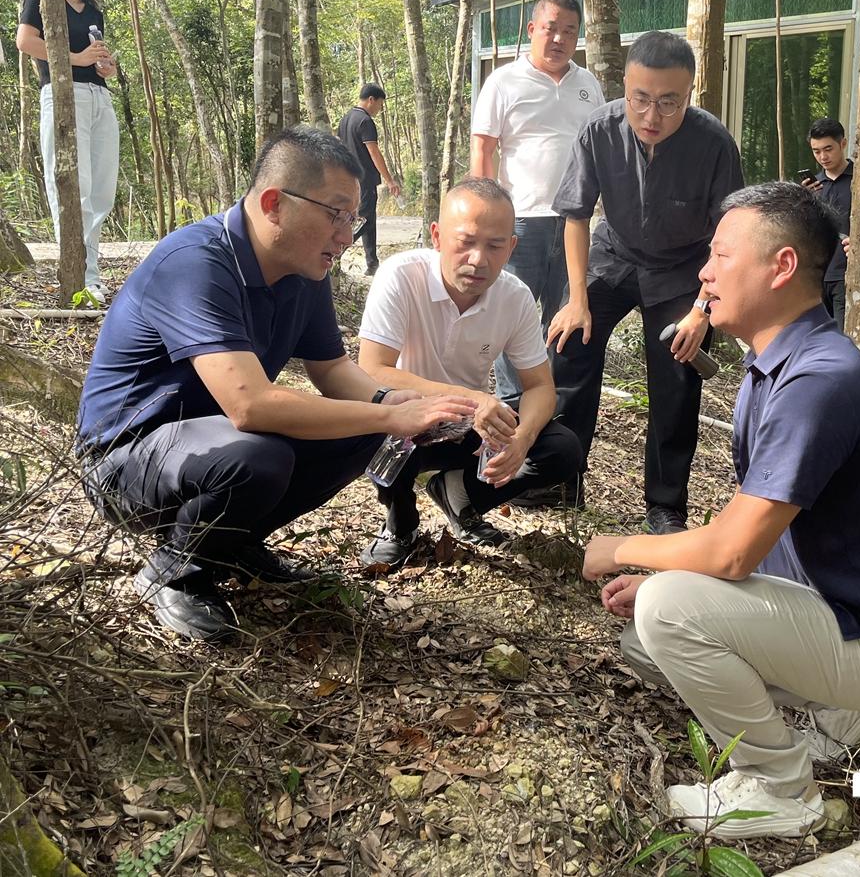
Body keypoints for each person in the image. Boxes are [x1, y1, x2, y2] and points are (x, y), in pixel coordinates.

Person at [581, 181, 860, 840]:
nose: (704, 272)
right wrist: (675, 576)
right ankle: (816, 718)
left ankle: (782, 786)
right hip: (829, 610)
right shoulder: (774, 365)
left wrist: (622, 547)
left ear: (782, 267)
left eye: (720, 255)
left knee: (669, 613)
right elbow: (759, 533)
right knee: (648, 635)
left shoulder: (817, 380)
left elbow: (732, 551)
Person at [77, 127, 475, 641]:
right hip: (124, 458)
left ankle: (231, 542)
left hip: (207, 445)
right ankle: (175, 569)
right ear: (273, 204)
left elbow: (331, 369)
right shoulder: (196, 263)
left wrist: (391, 403)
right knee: (259, 455)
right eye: (336, 214)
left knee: (365, 431)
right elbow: (250, 406)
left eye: (352, 218)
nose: (346, 233)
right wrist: (391, 414)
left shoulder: (305, 271)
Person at [544, 30, 744, 531]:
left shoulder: (714, 143)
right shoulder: (600, 129)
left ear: (690, 95)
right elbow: (575, 216)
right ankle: (560, 478)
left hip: (684, 270)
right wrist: (576, 299)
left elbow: (730, 235)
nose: (652, 117)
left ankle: (665, 504)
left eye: (668, 103)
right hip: (614, 255)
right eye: (640, 99)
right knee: (569, 343)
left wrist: (702, 312)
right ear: (626, 87)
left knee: (677, 377)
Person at [356, 178, 583, 567]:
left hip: (468, 427)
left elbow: (540, 387)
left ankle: (458, 496)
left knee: (562, 448)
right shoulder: (400, 276)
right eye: (466, 242)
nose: (479, 259)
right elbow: (372, 370)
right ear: (438, 236)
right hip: (410, 418)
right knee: (383, 426)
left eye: (495, 246)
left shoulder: (514, 297)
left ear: (511, 247)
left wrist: (523, 438)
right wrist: (471, 398)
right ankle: (400, 524)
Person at [470, 0, 604, 401]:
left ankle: (551, 405)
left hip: (575, 223)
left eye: (570, 31)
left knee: (564, 317)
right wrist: (486, 215)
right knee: (513, 314)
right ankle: (512, 405)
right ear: (532, 29)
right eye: (551, 29)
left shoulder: (587, 84)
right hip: (521, 220)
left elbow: (601, 146)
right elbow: (483, 148)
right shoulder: (504, 82)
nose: (560, 39)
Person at [17, 0, 119, 306]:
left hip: (99, 98)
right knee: (74, 189)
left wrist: (105, 66)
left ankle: (91, 270)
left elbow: (96, 56)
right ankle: (82, 279)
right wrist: (75, 59)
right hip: (63, 95)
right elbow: (25, 41)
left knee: (102, 190)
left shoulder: (94, 11)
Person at [337, 84, 401, 275]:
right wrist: (390, 180)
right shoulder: (365, 121)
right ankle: (337, 252)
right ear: (371, 99)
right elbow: (374, 152)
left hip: (349, 179)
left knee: (368, 219)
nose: (379, 110)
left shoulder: (345, 119)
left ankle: (372, 264)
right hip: (364, 180)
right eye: (379, 105)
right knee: (363, 220)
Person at [800, 118, 853, 330]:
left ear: (843, 144)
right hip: (816, 275)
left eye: (828, 149)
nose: (823, 157)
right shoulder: (813, 186)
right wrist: (805, 199)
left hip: (846, 274)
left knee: (844, 336)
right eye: (816, 151)